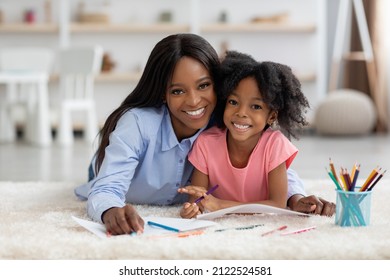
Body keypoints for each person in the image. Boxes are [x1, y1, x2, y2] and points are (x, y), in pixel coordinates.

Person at [74, 34, 334, 236]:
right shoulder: (138, 123)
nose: (194, 101)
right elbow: (108, 188)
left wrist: (295, 198)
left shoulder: (225, 120)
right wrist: (110, 211)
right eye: (177, 91)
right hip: (110, 169)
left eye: (204, 86)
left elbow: (267, 160)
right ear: (162, 93)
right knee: (99, 179)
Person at [179, 51, 335, 218]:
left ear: (272, 116)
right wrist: (193, 208)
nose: (241, 113)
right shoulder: (205, 143)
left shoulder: (275, 144)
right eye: (233, 102)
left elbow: (277, 204)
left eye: (256, 106)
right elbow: (197, 199)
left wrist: (221, 205)